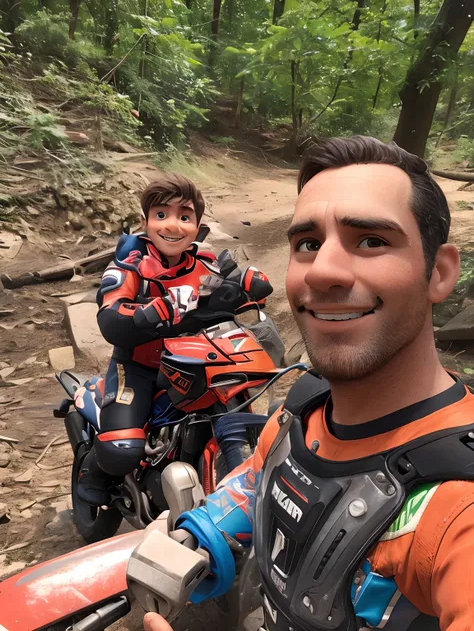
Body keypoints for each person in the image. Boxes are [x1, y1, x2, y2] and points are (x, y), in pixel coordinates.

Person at [143, 136, 474, 631]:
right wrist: (200, 533)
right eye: (308, 244)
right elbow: (259, 481)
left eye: (371, 241)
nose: (323, 270)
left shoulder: (456, 509)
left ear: (440, 272)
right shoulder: (299, 412)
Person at [78, 173, 272, 506]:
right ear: (145, 221)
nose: (173, 225)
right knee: (121, 450)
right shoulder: (128, 267)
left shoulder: (208, 265)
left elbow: (231, 300)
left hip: (197, 360)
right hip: (136, 365)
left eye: (184, 217)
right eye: (161, 215)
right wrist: (148, 312)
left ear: (198, 225)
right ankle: (92, 471)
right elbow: (110, 316)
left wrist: (247, 289)